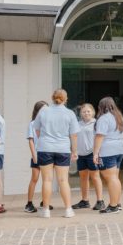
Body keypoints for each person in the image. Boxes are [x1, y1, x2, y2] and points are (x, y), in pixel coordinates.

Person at [33, 89, 80, 218]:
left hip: (45, 148)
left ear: (52, 98)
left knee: (47, 180)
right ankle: (68, 210)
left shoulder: (43, 111)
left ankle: (46, 210)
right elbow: (74, 135)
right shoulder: (69, 113)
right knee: (63, 180)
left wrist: (44, 139)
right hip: (63, 149)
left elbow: (37, 130)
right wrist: (74, 151)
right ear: (66, 99)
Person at [92, 97, 123, 214]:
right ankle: (117, 203)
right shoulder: (120, 117)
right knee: (115, 177)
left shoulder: (104, 118)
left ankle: (113, 206)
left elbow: (100, 136)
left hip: (107, 151)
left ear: (101, 106)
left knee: (111, 178)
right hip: (120, 148)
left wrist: (95, 153)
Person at [72, 103, 105, 211]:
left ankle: (100, 201)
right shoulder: (78, 124)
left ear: (93, 112)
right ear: (80, 113)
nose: (86, 113)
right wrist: (74, 151)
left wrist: (98, 153)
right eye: (84, 111)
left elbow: (101, 138)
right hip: (81, 154)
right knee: (83, 177)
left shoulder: (96, 123)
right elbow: (74, 138)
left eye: (88, 111)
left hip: (92, 153)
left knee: (95, 177)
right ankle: (85, 201)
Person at [24, 101, 48, 213]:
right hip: (37, 154)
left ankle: (45, 202)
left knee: (46, 179)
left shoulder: (48, 123)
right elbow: (31, 141)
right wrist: (34, 156)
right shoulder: (32, 124)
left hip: (47, 153)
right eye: (42, 109)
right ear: (37, 110)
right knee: (34, 178)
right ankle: (29, 203)